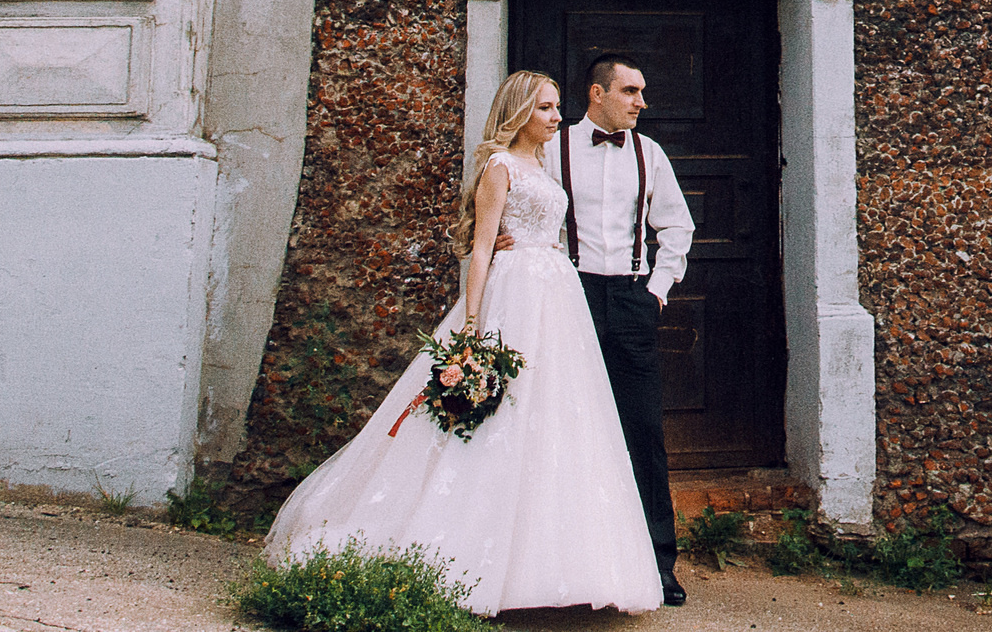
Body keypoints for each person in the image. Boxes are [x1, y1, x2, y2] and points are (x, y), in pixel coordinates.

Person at [263, 71, 662, 615]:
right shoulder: (499, 167)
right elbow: (479, 248)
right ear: (520, 112)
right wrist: (472, 323)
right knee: (499, 416)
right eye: (545, 108)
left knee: (557, 420)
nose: (555, 118)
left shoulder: (542, 165)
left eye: (556, 108)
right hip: (516, 294)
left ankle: (555, 565)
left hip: (556, 300)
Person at [554, 53, 697, 607]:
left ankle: (659, 566)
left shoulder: (650, 152)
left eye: (642, 91)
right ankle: (568, 562)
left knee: (643, 434)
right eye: (631, 91)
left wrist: (657, 290)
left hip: (633, 299)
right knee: (566, 428)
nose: (643, 101)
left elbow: (677, 225)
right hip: (570, 298)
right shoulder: (554, 148)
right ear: (597, 93)